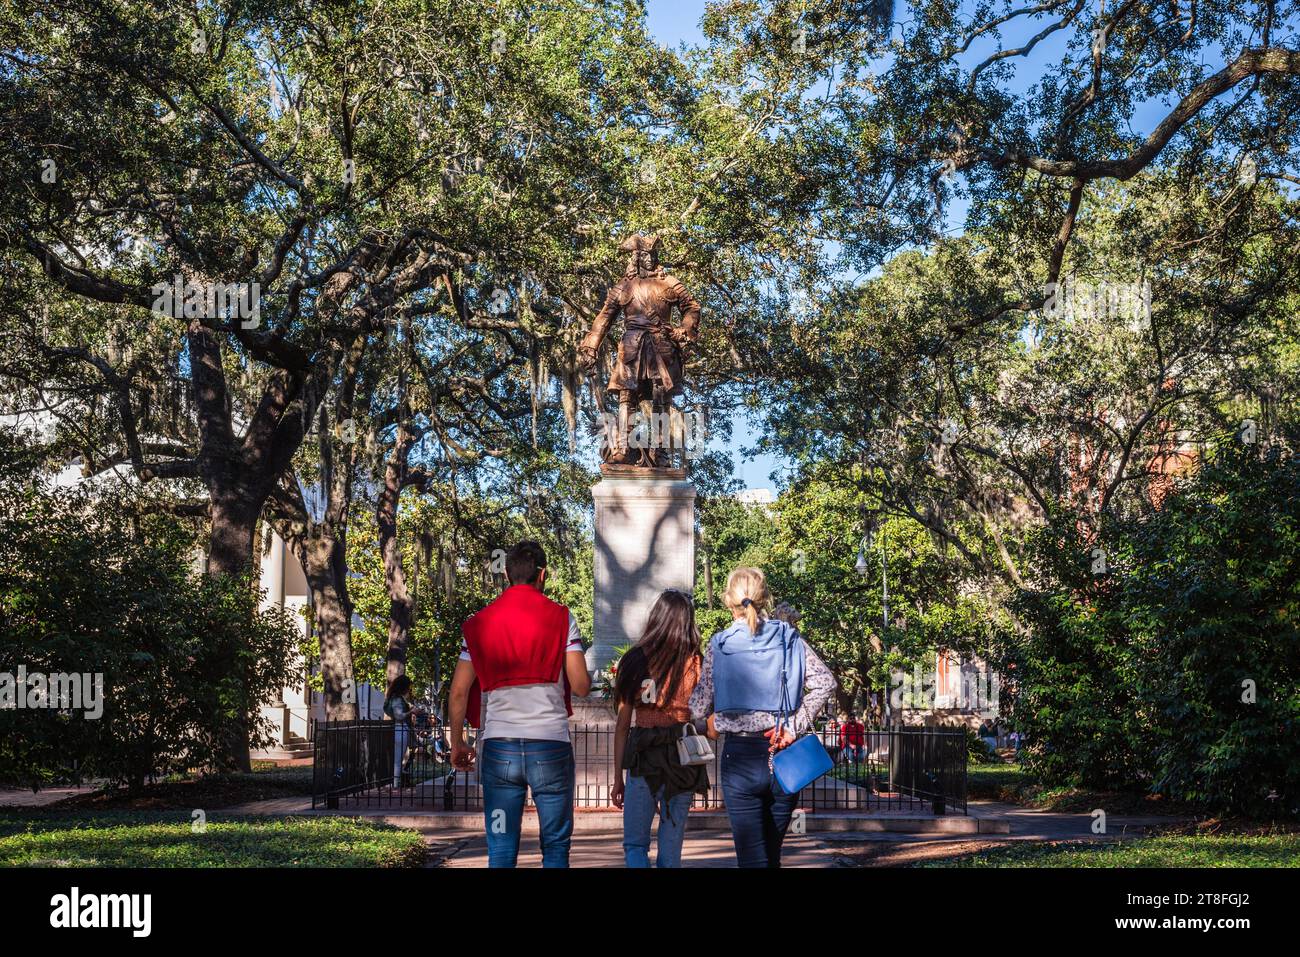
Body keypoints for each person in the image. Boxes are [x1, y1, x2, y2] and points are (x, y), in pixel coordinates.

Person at [446, 541, 592, 868]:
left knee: (500, 848)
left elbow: (458, 691)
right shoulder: (562, 618)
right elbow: (581, 686)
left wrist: (458, 742)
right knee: (555, 847)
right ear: (543, 575)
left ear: (507, 574)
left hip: (500, 751)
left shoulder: (479, 624)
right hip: (550, 747)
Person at [690, 567, 836, 868]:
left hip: (739, 757)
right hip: (782, 754)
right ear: (765, 597)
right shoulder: (790, 638)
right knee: (771, 856)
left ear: (728, 601)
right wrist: (792, 727)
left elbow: (697, 707)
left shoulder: (719, 644)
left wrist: (710, 718)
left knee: (753, 860)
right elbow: (825, 682)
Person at [610, 589, 709, 868]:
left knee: (635, 845)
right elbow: (703, 714)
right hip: (683, 757)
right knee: (671, 847)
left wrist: (618, 776)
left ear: (656, 617)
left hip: (644, 756)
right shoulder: (696, 662)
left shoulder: (634, 660)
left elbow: (622, 726)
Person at [384, 675, 416, 787]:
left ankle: (397, 782)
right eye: (408, 686)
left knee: (400, 757)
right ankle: (396, 783)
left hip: (402, 728)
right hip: (400, 728)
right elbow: (399, 716)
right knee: (398, 758)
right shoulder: (397, 699)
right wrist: (411, 711)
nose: (409, 689)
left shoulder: (398, 698)